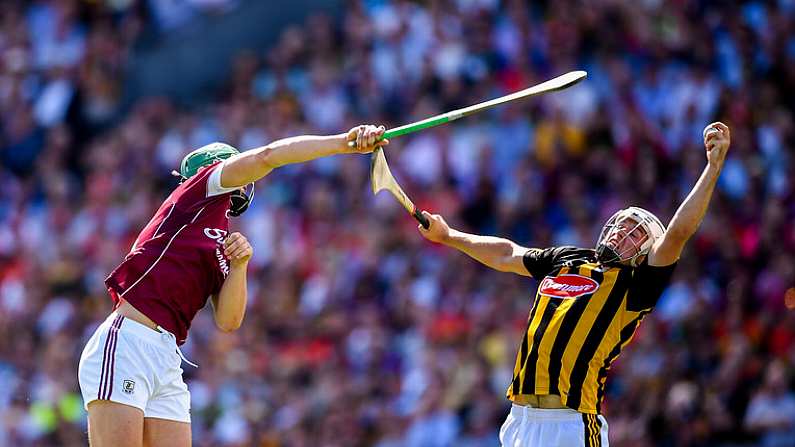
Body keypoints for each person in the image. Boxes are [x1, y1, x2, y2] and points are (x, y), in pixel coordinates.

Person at [417, 122, 731, 446]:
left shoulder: (637, 284)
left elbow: (677, 234)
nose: (623, 233)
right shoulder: (568, 258)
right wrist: (449, 236)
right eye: (622, 225)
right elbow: (507, 254)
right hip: (519, 419)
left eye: (636, 233)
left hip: (570, 423)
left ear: (646, 251)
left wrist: (712, 167)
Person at [77, 125, 388, 446]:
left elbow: (229, 321)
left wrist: (239, 266)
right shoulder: (194, 194)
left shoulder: (217, 238)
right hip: (129, 341)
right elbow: (269, 155)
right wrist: (343, 143)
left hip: (166, 355)